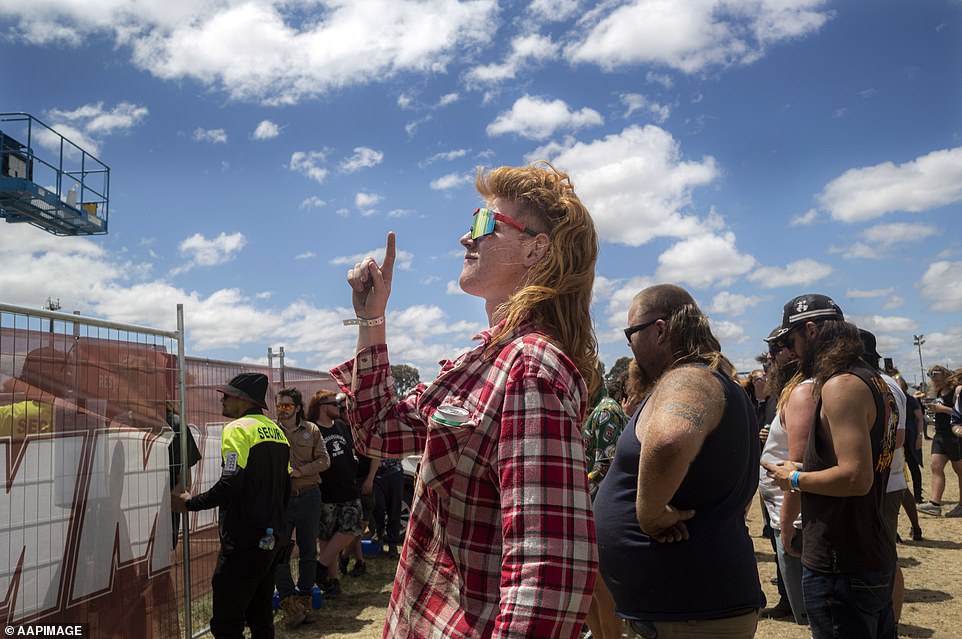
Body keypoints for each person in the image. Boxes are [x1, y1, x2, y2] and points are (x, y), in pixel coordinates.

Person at [330, 163, 599, 638]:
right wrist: (372, 321)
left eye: (483, 223)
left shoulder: (531, 369)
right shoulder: (487, 359)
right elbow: (379, 431)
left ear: (537, 248)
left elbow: (549, 573)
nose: (465, 237)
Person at [594, 284, 763, 639]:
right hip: (687, 609)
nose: (629, 346)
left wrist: (651, 514)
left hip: (684, 614)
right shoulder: (717, 382)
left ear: (659, 329)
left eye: (631, 334)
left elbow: (670, 441)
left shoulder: (689, 378)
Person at [762, 294, 898, 639]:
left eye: (791, 341)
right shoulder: (872, 379)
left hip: (843, 559)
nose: (790, 352)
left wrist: (791, 477)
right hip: (867, 549)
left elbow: (855, 477)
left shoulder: (842, 385)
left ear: (810, 331)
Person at [171, 373, 290, 639]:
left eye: (226, 396)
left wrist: (191, 503)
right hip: (272, 538)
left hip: (244, 540)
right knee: (261, 616)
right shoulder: (278, 432)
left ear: (241, 400)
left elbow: (230, 483)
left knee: (227, 621)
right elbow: (286, 488)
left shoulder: (237, 429)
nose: (222, 401)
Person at [757, 328, 811, 624]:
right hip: (782, 512)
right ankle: (787, 604)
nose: (771, 356)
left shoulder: (802, 392)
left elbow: (797, 466)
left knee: (813, 617)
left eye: (778, 348)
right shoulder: (790, 391)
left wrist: (789, 521)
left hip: (793, 515)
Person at [273, 387, 329, 628]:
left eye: (286, 406)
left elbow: (324, 461)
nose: (282, 410)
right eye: (279, 406)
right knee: (279, 551)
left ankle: (305, 601)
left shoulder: (312, 430)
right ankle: (289, 602)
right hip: (281, 499)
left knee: (308, 549)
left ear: (297, 408)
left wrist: (300, 471)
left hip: (308, 496)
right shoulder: (271, 431)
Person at [582, 378, 630, 639]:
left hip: (598, 507)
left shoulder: (605, 411)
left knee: (602, 589)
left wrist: (576, 486)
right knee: (589, 587)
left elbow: (604, 467)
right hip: (590, 505)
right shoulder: (594, 409)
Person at [307, 388, 363, 599]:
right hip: (326, 493)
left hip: (348, 488)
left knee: (352, 528)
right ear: (322, 408)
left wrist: (352, 460)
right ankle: (332, 581)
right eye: (334, 405)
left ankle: (319, 567)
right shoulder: (313, 431)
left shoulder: (340, 426)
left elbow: (350, 450)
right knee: (326, 538)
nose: (339, 408)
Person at [918, 365, 962, 517]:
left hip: (954, 435)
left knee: (960, 471)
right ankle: (935, 504)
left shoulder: (956, 390)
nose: (933, 377)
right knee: (935, 467)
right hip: (940, 434)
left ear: (945, 374)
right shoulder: (937, 392)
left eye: (936, 374)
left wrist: (942, 409)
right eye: (931, 375)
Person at [371, 456, 405, 556]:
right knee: (378, 506)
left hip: (395, 471)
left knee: (394, 509)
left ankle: (392, 544)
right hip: (376, 473)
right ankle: (379, 533)